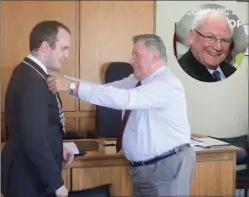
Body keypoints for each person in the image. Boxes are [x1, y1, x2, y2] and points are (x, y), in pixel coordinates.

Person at [46, 34, 196, 197]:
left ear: (155, 56)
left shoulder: (166, 84)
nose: (131, 61)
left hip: (165, 171)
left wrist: (72, 86)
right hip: (144, 172)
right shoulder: (136, 80)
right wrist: (64, 81)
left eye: (136, 55)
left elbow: (124, 99)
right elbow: (105, 90)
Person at [1, 20, 74, 197]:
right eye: (63, 48)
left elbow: (40, 127)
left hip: (30, 174)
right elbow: (33, 140)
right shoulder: (32, 80)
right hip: (28, 179)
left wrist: (58, 147)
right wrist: (57, 184)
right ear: (45, 47)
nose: (67, 55)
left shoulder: (32, 72)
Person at [177, 9, 237, 82]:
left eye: (224, 40)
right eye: (210, 37)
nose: (218, 47)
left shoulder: (232, 71)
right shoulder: (180, 74)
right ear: (192, 36)